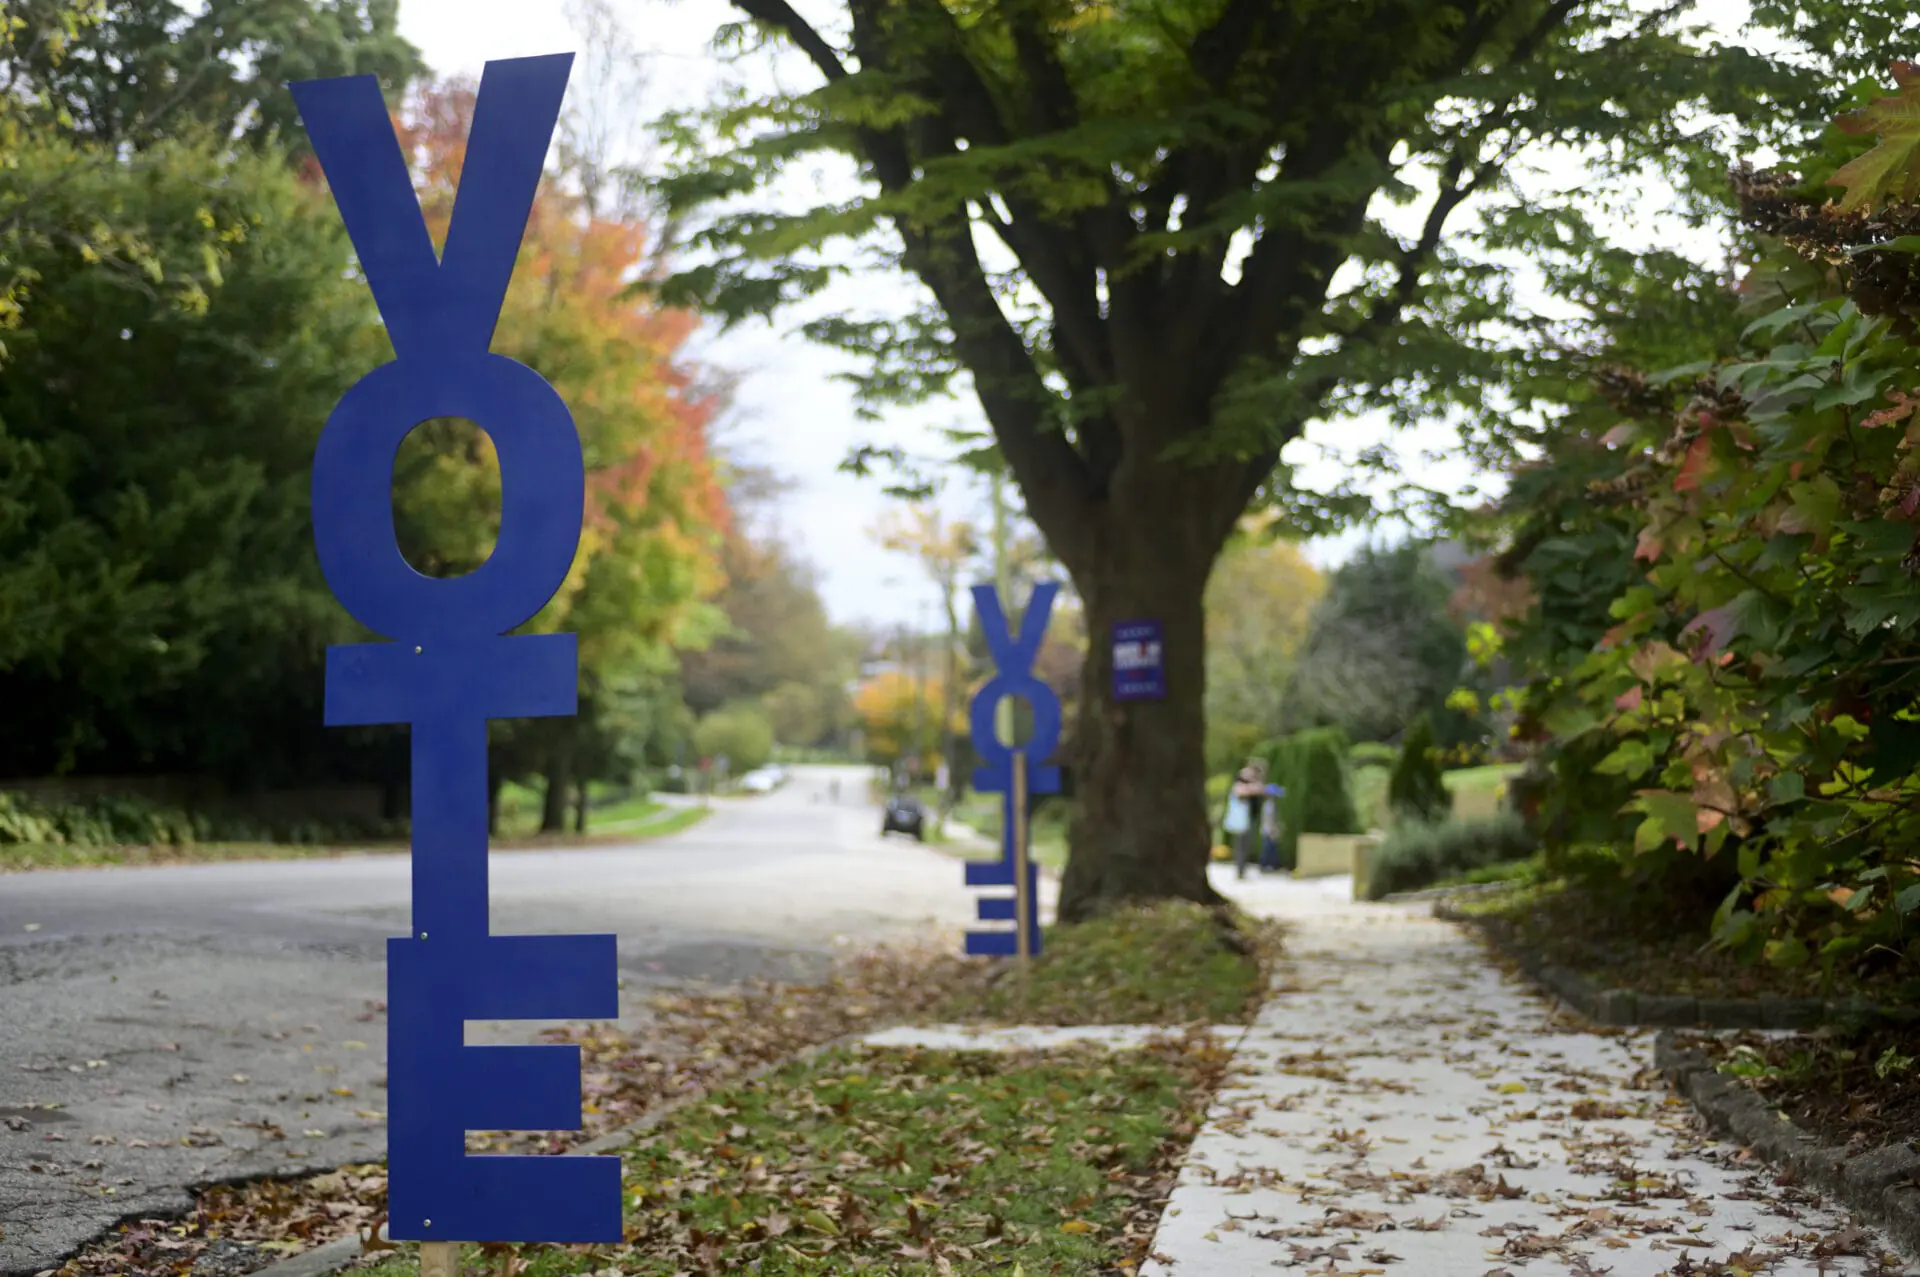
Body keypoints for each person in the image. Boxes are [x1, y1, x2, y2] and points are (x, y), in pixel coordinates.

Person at [1226, 759, 1268, 880]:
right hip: (1243, 818)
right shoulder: (1242, 780)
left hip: (1251, 817)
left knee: (1247, 844)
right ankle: (1240, 869)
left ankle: (1242, 869)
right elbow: (1240, 791)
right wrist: (1254, 788)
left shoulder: (1254, 782)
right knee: (1241, 844)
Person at [1259, 782, 1285, 873]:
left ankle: (1271, 865)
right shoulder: (1270, 806)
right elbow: (1270, 819)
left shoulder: (1269, 804)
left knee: (1271, 848)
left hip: (1268, 830)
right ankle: (1265, 865)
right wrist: (1272, 830)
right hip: (1269, 831)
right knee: (1268, 849)